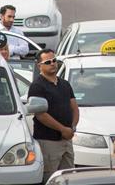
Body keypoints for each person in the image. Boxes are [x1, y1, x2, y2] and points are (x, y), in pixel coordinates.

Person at [29, 49, 78, 181]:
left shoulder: (65, 84)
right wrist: (63, 129)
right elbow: (41, 115)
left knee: (69, 177)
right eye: (48, 62)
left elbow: (74, 107)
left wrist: (72, 128)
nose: (53, 64)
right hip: (48, 141)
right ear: (40, 66)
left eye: (54, 60)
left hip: (67, 140)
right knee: (50, 178)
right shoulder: (37, 86)